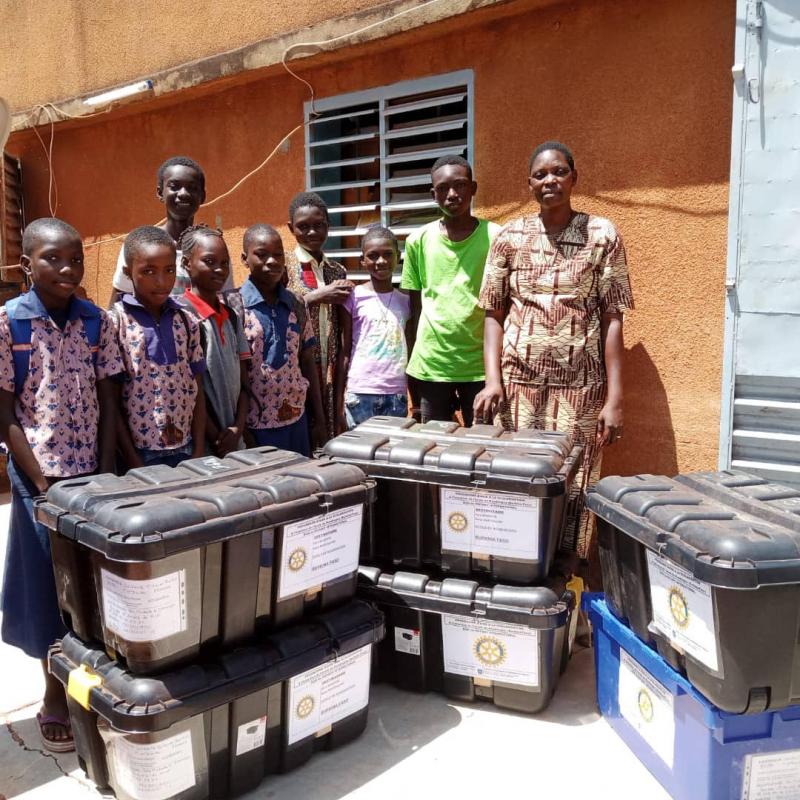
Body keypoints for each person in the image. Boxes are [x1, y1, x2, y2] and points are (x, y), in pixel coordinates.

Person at [474, 141, 634, 559]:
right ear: (529, 184)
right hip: (517, 386)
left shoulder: (602, 235)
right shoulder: (509, 236)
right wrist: (493, 381)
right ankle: (517, 565)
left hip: (581, 390)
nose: (550, 181)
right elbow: (492, 313)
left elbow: (613, 318)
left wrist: (615, 400)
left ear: (574, 178)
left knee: (575, 482)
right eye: (541, 174)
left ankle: (568, 578)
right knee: (517, 477)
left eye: (559, 172)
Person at [0, 218, 123, 751]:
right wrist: (41, 480)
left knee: (94, 591)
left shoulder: (95, 321)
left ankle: (92, 687)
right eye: (54, 259)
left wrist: (106, 472)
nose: (68, 269)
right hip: (38, 482)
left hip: (91, 481)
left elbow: (111, 402)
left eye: (75, 258)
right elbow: (4, 413)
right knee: (50, 591)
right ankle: (52, 693)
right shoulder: (10, 324)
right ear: (28, 263)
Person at [401, 155, 500, 425]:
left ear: (474, 188)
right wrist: (413, 374)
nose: (452, 194)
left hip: (480, 367)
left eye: (460, 185)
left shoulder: (497, 237)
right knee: (436, 449)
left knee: (483, 447)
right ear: (433, 194)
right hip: (432, 365)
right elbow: (415, 309)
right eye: (443, 188)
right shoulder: (417, 241)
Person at [111, 225, 206, 468]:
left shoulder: (186, 320)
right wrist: (133, 460)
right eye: (149, 271)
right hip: (139, 455)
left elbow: (198, 389)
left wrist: (197, 450)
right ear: (128, 272)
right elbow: (111, 400)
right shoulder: (115, 323)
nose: (161, 281)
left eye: (169, 270)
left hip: (185, 448)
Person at [240, 223, 326, 455]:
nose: (272, 262)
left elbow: (308, 361)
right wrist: (240, 429)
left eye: (278, 255)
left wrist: (319, 418)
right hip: (255, 425)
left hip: (296, 419)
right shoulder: (235, 307)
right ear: (244, 259)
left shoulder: (296, 304)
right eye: (261, 254)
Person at [108, 156, 233, 304]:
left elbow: (226, 300)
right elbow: (118, 302)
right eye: (174, 186)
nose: (183, 193)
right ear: (160, 193)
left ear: (203, 196)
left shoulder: (214, 248)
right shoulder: (141, 244)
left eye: (192, 188)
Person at [284, 192, 353, 437]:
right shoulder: (283, 267)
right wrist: (317, 296)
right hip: (296, 367)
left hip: (330, 369)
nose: (312, 233)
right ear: (291, 228)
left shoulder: (337, 270)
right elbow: (278, 308)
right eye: (303, 227)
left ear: (328, 226)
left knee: (330, 434)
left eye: (318, 225)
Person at [178, 225, 250, 456]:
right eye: (210, 261)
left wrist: (237, 429)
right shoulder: (181, 317)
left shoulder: (232, 317)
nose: (220, 269)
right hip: (204, 444)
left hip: (233, 440)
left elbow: (245, 384)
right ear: (186, 264)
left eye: (225, 263)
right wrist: (216, 436)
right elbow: (187, 389)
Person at [340, 226, 412, 426]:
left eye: (388, 254)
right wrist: (339, 399)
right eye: (373, 256)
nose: (381, 261)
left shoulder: (405, 301)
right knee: (358, 453)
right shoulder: (353, 297)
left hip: (396, 393)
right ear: (362, 261)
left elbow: (412, 349)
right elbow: (344, 351)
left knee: (390, 453)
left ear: (398, 257)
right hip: (361, 392)